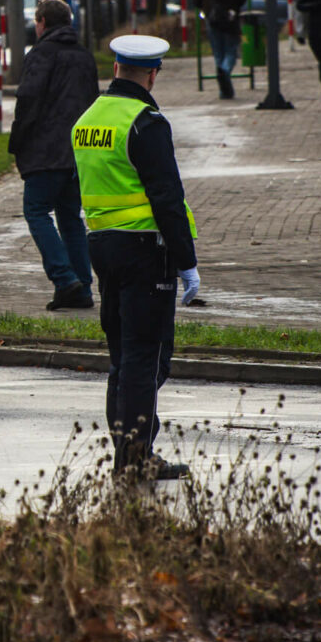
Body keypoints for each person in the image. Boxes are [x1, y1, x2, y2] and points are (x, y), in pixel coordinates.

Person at [72, 34, 197, 480]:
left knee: (124, 356)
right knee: (147, 358)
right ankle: (135, 459)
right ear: (152, 73)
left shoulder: (87, 119)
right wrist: (187, 261)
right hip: (147, 251)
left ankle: (126, 452)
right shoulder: (146, 121)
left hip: (103, 248)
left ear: (116, 69)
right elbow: (166, 196)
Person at [8, 0, 99, 310]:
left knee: (36, 211)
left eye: (36, 21)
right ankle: (83, 288)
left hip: (45, 151)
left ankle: (65, 279)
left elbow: (28, 101)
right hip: (77, 152)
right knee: (71, 218)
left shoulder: (41, 54)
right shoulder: (84, 57)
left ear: (43, 22)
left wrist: (17, 142)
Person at [191, 0, 249, 99]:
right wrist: (234, 7)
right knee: (231, 50)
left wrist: (206, 8)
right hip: (230, 18)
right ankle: (225, 71)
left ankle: (223, 87)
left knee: (218, 51)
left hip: (212, 18)